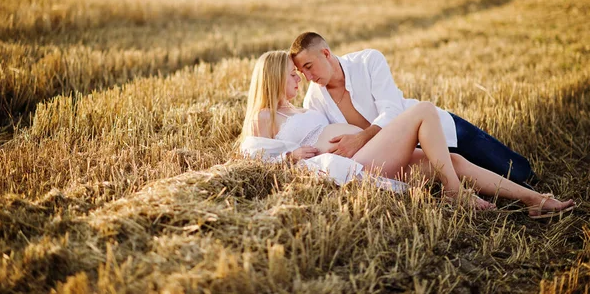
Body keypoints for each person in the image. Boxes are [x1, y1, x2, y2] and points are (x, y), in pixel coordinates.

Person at [239, 50, 575, 217]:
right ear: (272, 77)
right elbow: (249, 154)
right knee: (424, 110)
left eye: (300, 73)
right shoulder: (265, 115)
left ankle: (536, 201)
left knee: (452, 159)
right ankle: (455, 193)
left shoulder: (303, 105)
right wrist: (289, 156)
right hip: (354, 162)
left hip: (368, 152)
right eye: (292, 75)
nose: (299, 79)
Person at [290, 32, 538, 189]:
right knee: (472, 177)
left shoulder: (368, 61)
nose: (309, 77)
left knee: (518, 172)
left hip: (439, 128)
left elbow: (392, 109)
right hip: (409, 151)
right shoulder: (314, 99)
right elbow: (320, 138)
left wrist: (361, 138)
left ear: (326, 53)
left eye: (310, 66)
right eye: (303, 72)